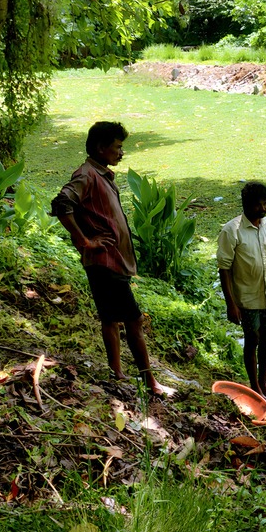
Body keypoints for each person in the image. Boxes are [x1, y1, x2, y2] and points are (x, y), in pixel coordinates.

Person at [50, 121, 163, 396]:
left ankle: (117, 373)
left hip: (111, 262)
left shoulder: (101, 175)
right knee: (134, 320)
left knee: (110, 318)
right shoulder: (87, 175)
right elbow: (61, 203)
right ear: (101, 148)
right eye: (118, 147)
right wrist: (84, 240)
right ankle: (150, 382)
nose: (121, 153)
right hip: (105, 262)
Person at [216, 181, 266, 402]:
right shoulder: (231, 231)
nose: (264, 209)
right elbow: (224, 269)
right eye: (259, 204)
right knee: (252, 339)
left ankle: (263, 383)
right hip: (247, 298)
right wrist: (231, 304)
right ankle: (254, 387)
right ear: (247, 205)